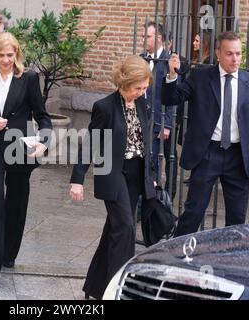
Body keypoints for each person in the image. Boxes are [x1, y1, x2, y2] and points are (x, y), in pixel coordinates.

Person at [163, 31, 249, 237]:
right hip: (207, 153)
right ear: (218, 54)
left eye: (239, 54)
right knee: (193, 213)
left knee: (236, 219)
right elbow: (171, 99)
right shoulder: (200, 77)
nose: (235, 59)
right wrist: (172, 75)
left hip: (237, 157)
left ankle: (229, 261)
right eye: (230, 54)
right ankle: (175, 255)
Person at [69, 55, 156, 300]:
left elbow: (147, 143)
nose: (142, 92)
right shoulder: (105, 107)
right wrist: (77, 179)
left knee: (114, 229)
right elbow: (90, 145)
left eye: (145, 87)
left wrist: (152, 176)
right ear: (125, 83)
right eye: (138, 87)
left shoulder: (142, 105)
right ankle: (117, 291)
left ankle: (94, 288)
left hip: (136, 174)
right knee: (126, 227)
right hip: (114, 173)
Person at [0, 32, 52, 291]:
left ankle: (8, 254)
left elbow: (43, 117)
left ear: (16, 54)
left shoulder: (28, 79)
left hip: (20, 148)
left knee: (16, 203)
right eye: (1, 55)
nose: (6, 60)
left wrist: (44, 141)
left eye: (10, 55)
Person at [141, 21, 178, 200]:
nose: (144, 40)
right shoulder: (142, 59)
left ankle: (163, 200)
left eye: (147, 36)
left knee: (157, 161)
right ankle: (143, 202)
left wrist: (167, 123)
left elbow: (172, 95)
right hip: (142, 119)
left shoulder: (168, 60)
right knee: (144, 162)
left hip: (159, 119)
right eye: (143, 36)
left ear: (160, 38)